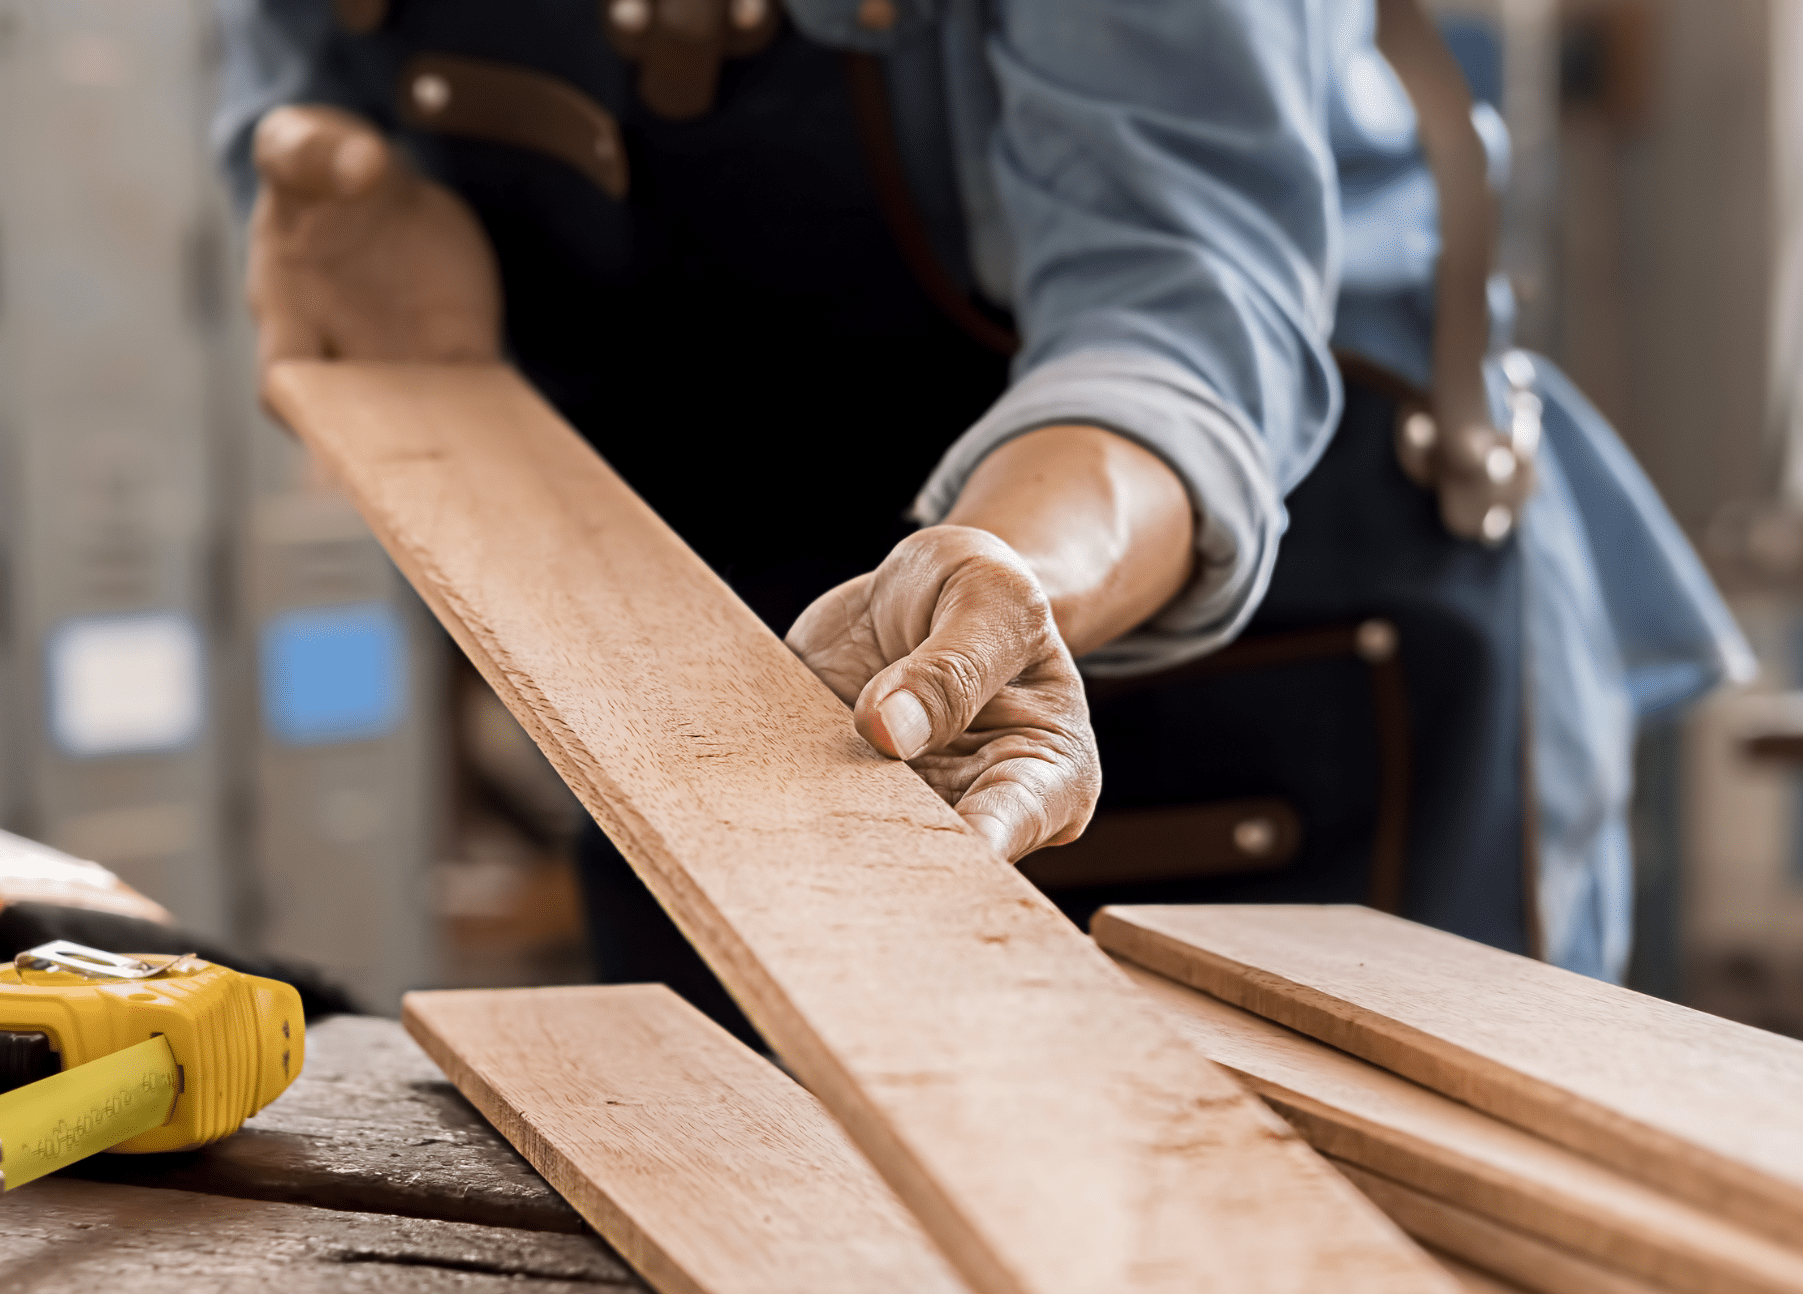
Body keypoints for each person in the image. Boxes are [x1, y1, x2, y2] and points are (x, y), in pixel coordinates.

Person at [215, 0, 1747, 1034]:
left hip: (1244, 640)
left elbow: (1176, 317)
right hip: (747, 673)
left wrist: (1007, 572)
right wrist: (334, 182)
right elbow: (305, 72)